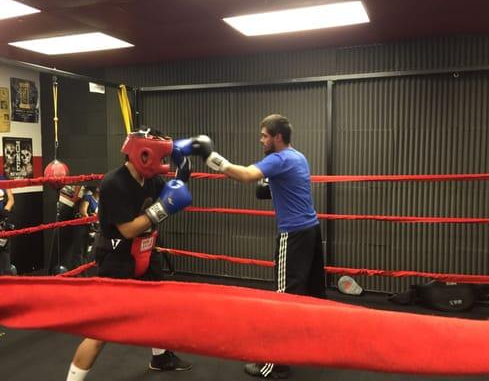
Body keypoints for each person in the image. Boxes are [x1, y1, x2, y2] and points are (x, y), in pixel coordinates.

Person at [66, 127, 202, 381]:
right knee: (101, 331)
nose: (162, 165)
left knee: (158, 308)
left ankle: (160, 357)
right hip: (117, 257)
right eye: (160, 158)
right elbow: (128, 229)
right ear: (144, 155)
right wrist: (162, 209)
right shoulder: (113, 183)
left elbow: (173, 190)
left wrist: (184, 166)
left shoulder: (150, 179)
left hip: (146, 251)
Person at [203, 114, 326, 379]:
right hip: (312, 231)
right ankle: (314, 345)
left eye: (264, 136)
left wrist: (211, 157)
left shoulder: (278, 159)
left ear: (277, 137)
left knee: (282, 299)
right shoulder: (298, 157)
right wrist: (272, 188)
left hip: (292, 234)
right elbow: (290, 187)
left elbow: (246, 176)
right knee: (312, 292)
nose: (261, 140)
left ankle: (274, 364)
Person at [50, 183, 87, 273]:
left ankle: (78, 273)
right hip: (65, 215)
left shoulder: (87, 191)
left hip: (76, 220)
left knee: (78, 252)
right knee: (61, 250)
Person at [0, 175, 14, 275]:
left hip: (2, 223)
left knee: (5, 252)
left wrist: (5, 210)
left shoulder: (3, 179)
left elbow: (11, 199)